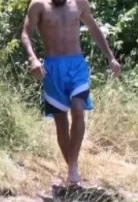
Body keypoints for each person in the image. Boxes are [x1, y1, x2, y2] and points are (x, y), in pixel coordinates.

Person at [21, 0, 121, 186]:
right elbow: (26, 34)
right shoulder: (38, 5)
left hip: (77, 66)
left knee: (78, 108)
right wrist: (32, 59)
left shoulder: (80, 3)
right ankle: (72, 172)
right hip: (52, 68)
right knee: (61, 121)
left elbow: (94, 28)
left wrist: (111, 57)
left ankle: (73, 168)